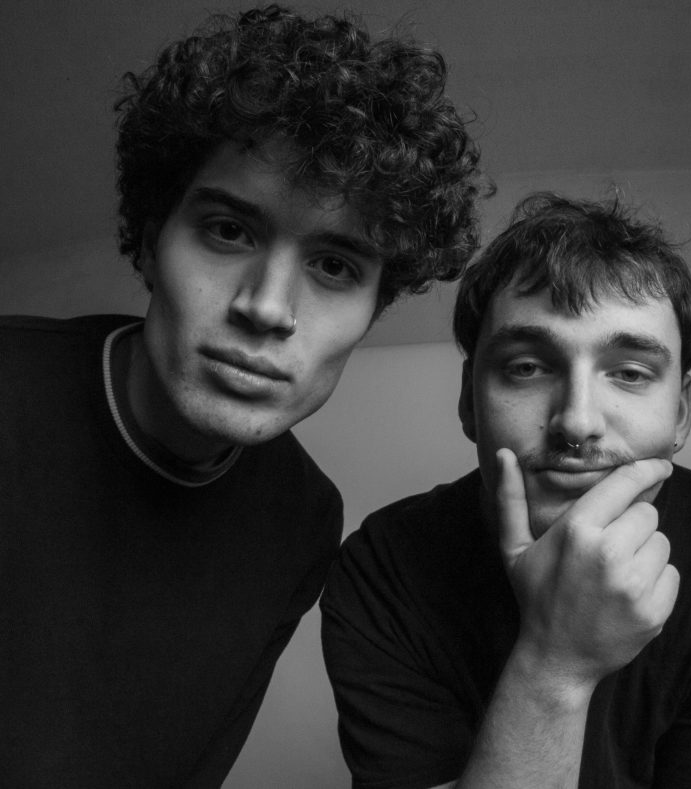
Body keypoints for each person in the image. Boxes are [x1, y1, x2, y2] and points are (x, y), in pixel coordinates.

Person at [0, 6, 482, 786]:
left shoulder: (302, 517)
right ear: (154, 237)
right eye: (229, 230)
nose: (267, 305)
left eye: (334, 266)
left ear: (373, 312)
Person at [320, 192, 691, 788]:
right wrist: (556, 665)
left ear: (681, 412)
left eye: (630, 373)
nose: (577, 421)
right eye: (527, 368)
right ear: (468, 401)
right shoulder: (385, 565)